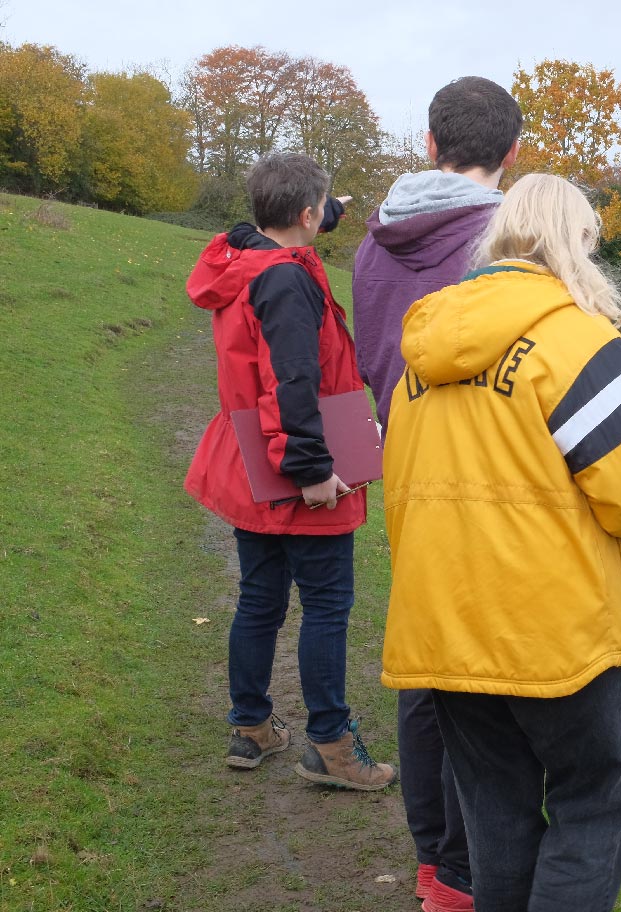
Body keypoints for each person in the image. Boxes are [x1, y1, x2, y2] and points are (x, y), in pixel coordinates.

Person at [380, 173, 621, 912]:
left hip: (446, 624)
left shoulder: (417, 359)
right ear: (578, 242)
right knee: (588, 808)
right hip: (560, 632)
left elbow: (400, 493)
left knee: (495, 815)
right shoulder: (582, 343)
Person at [352, 75, 521, 912]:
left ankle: (437, 868)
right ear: (513, 153)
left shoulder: (372, 242)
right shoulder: (504, 249)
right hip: (491, 483)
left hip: (409, 478)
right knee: (488, 681)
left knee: (425, 665)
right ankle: (465, 872)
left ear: (429, 143)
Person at [184, 152, 396, 792]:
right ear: (303, 213)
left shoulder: (245, 257)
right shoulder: (286, 282)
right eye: (320, 209)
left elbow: (291, 228)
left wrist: (325, 213)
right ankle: (329, 745)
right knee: (327, 606)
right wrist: (310, 470)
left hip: (250, 461)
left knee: (260, 597)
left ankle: (251, 727)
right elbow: (292, 380)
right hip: (297, 464)